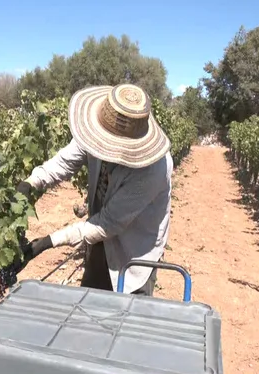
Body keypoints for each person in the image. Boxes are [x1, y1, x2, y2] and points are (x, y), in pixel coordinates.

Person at [17, 83, 173, 296]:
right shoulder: (97, 128)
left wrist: (47, 242)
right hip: (98, 238)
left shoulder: (154, 168)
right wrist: (31, 182)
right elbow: (65, 162)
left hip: (134, 251)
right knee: (89, 307)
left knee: (125, 318)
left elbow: (107, 224)